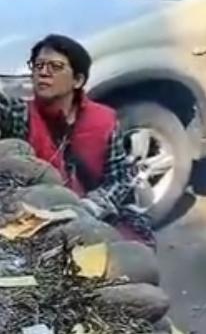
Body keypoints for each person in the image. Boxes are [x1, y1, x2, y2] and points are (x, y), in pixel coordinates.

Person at [0, 35, 154, 244]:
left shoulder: (104, 121)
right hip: (33, 221)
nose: (43, 72)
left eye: (55, 66)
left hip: (91, 218)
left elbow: (119, 179)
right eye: (38, 65)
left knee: (135, 251)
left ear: (78, 80)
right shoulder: (20, 114)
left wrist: (91, 207)